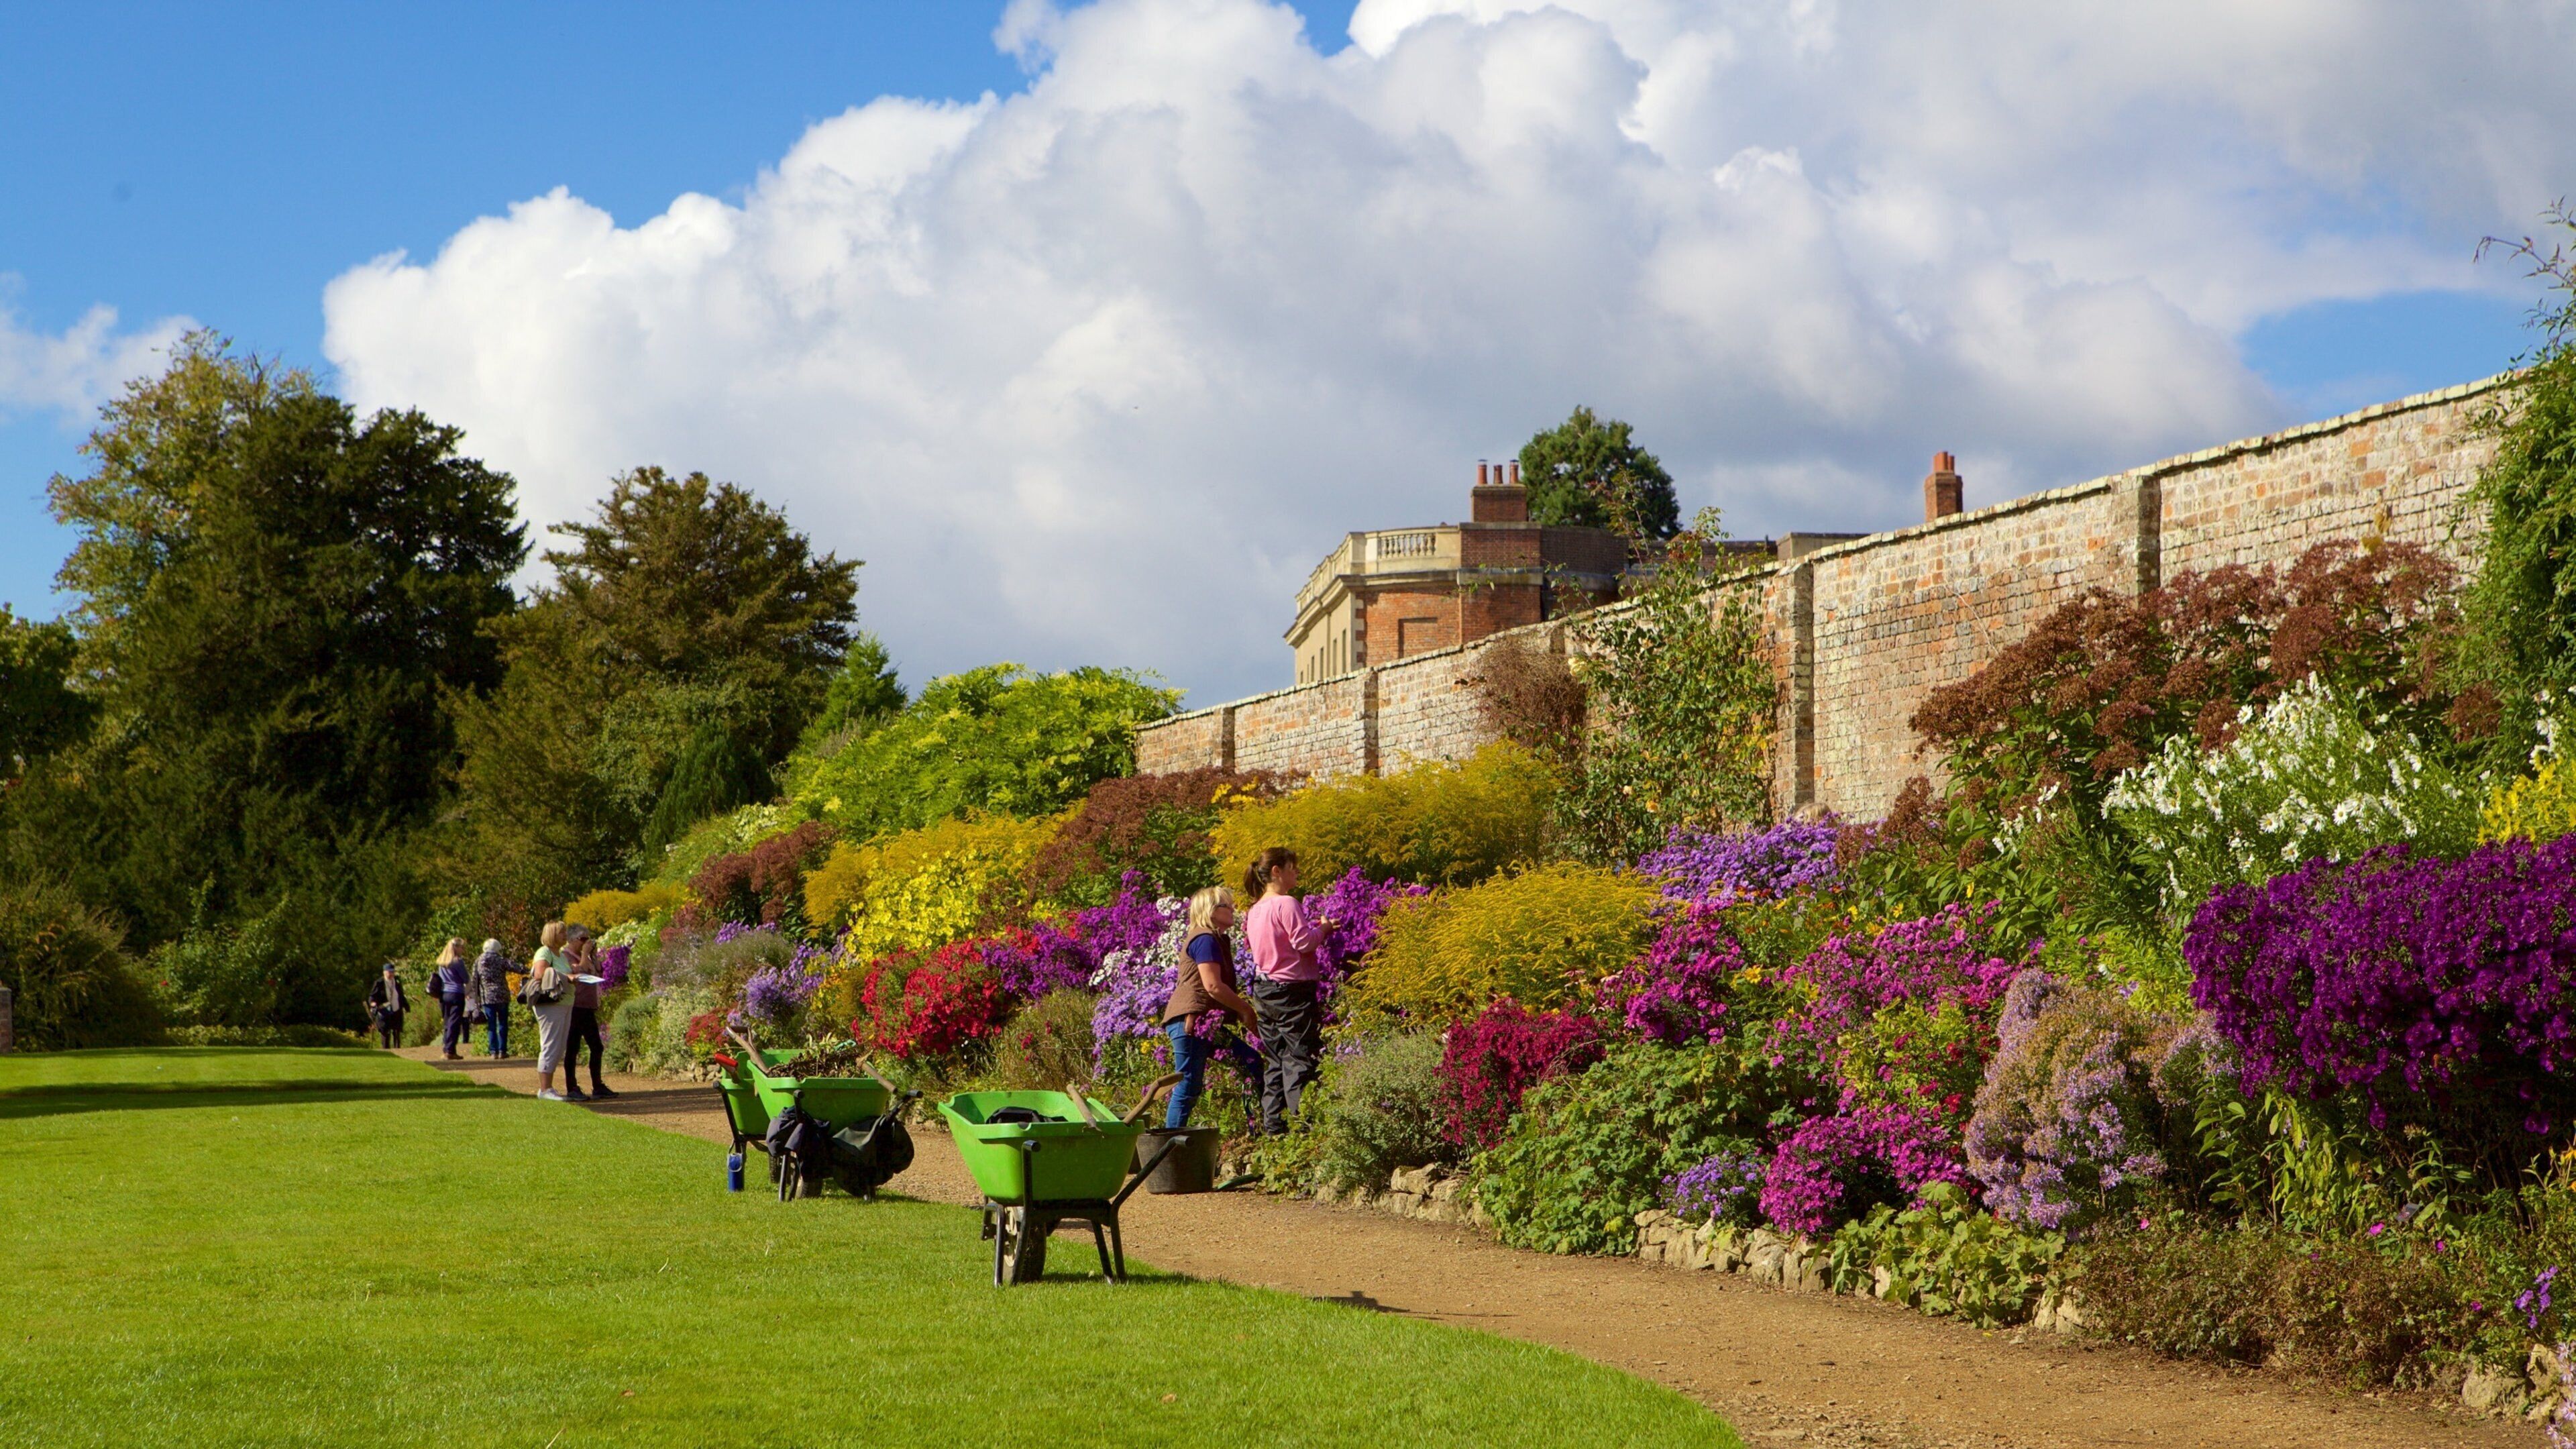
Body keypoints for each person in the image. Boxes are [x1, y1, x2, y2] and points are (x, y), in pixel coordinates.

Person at [1160, 885, 1262, 1131]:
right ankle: (1168, 1151)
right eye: (1227, 905)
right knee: (1187, 1085)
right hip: (1191, 1022)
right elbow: (1213, 986)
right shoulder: (1205, 939)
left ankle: (1257, 1126)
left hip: (1204, 1024)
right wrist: (1245, 1010)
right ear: (1211, 910)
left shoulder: (1213, 938)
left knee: (1251, 1062)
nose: (1233, 909)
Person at [1242, 846, 1324, 1135]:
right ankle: (1303, 1128)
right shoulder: (1286, 903)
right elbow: (1304, 943)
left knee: (1275, 1058)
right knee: (1299, 1057)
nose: (1297, 873)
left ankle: (1274, 1127)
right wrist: (1324, 930)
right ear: (1276, 871)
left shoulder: (1254, 911)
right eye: (1293, 868)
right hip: (1292, 991)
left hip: (1264, 991)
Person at [560, 926, 616, 1101]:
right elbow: (579, 971)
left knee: (596, 1046)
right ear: (571, 940)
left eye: (588, 940)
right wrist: (585, 954)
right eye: (582, 939)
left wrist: (594, 956)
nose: (586, 943)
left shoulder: (587, 956)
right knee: (573, 1047)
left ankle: (597, 1085)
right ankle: (572, 1087)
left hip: (588, 1006)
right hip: (575, 1006)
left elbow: (598, 971)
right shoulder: (566, 956)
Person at [524, 922, 578, 1102]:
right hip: (550, 1004)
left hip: (564, 1003)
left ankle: (549, 1088)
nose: (565, 935)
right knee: (550, 1045)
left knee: (560, 1045)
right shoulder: (544, 952)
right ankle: (545, 1089)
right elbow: (540, 973)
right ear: (552, 934)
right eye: (561, 932)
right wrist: (567, 977)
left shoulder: (560, 954)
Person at [429, 938, 473, 1060]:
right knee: (455, 1022)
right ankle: (449, 1050)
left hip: (444, 994)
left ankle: (448, 1049)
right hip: (456, 993)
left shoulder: (442, 962)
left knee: (448, 1022)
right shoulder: (457, 961)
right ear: (456, 948)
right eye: (462, 948)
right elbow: (465, 979)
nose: (463, 950)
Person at [470, 938, 514, 1059]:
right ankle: (502, 1051)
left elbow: (475, 980)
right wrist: (530, 970)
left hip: (487, 997)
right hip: (502, 995)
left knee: (491, 1024)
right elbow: (514, 967)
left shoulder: (478, 961)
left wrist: (476, 997)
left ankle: (493, 1052)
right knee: (503, 1024)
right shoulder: (500, 959)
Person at [365, 962, 408, 1049]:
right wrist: (373, 1003)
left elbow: (401, 995)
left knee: (397, 1031)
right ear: (384, 972)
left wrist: (406, 1005)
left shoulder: (397, 981)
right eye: (389, 972)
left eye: (393, 972)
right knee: (385, 1032)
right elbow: (372, 996)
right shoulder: (379, 983)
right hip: (384, 1011)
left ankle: (398, 1050)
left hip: (396, 1009)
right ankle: (386, 1051)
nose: (391, 974)